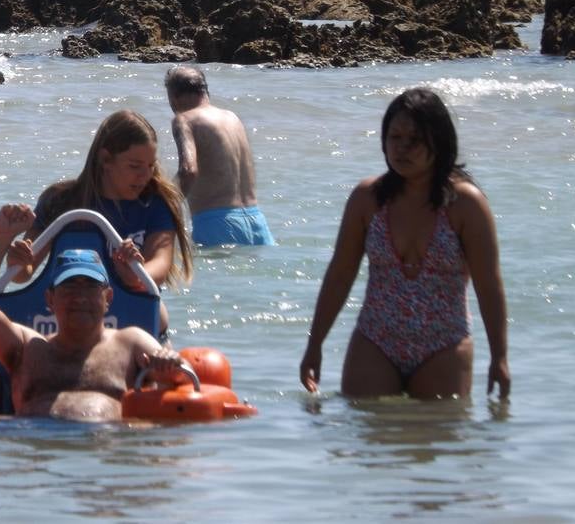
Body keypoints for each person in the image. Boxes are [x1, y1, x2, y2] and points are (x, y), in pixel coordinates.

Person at [299, 87, 511, 400]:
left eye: (414, 140)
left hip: (444, 344)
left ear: (438, 141)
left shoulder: (466, 204)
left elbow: (489, 285)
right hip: (375, 340)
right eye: (394, 138)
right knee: (363, 434)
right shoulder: (367, 199)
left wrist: (500, 357)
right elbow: (340, 275)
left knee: (433, 438)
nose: (402, 148)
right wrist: (314, 344)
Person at [0, 203, 193, 420]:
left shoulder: (130, 341)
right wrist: (1, 240)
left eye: (91, 287)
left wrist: (169, 364)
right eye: (70, 286)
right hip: (38, 448)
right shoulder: (27, 348)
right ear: (50, 300)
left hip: (108, 451)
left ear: (108, 298)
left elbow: (184, 375)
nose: (80, 296)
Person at [6, 110, 193, 339]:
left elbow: (161, 265)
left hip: (133, 317)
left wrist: (134, 276)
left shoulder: (156, 204)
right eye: (135, 166)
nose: (145, 175)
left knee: (160, 313)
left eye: (151, 165)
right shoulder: (61, 201)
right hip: (68, 317)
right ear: (105, 160)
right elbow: (22, 274)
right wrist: (17, 259)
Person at [165, 65, 273, 246]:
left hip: (218, 225)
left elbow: (188, 171)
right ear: (205, 90)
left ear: (174, 97)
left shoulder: (184, 120)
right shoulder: (232, 118)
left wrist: (160, 206)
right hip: (257, 223)